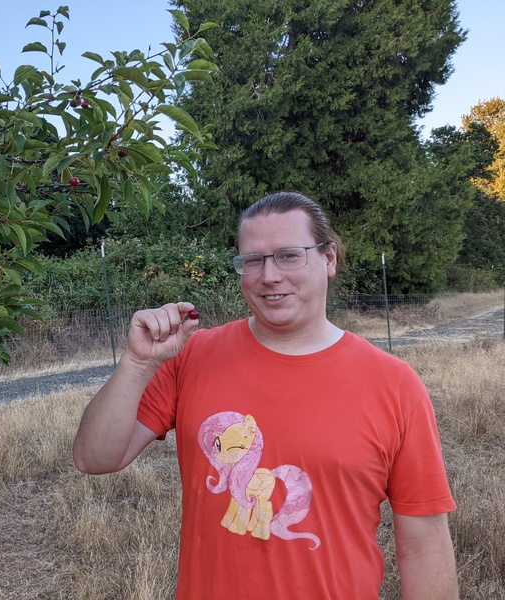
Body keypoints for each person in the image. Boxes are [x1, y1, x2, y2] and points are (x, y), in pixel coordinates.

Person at [72, 191, 458, 599]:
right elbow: (94, 458)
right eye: (252, 260)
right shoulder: (193, 357)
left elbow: (423, 542)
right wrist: (136, 364)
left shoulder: (394, 386)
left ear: (328, 259)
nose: (269, 275)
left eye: (289, 255)